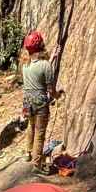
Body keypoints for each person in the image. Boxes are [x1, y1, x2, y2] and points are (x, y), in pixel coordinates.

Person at [21, 31, 63, 173]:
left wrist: (52, 58)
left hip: (27, 102)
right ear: (41, 46)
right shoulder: (45, 65)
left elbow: (38, 70)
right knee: (40, 133)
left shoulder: (25, 65)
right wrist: (58, 96)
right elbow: (50, 89)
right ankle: (36, 164)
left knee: (31, 127)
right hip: (39, 102)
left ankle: (28, 153)